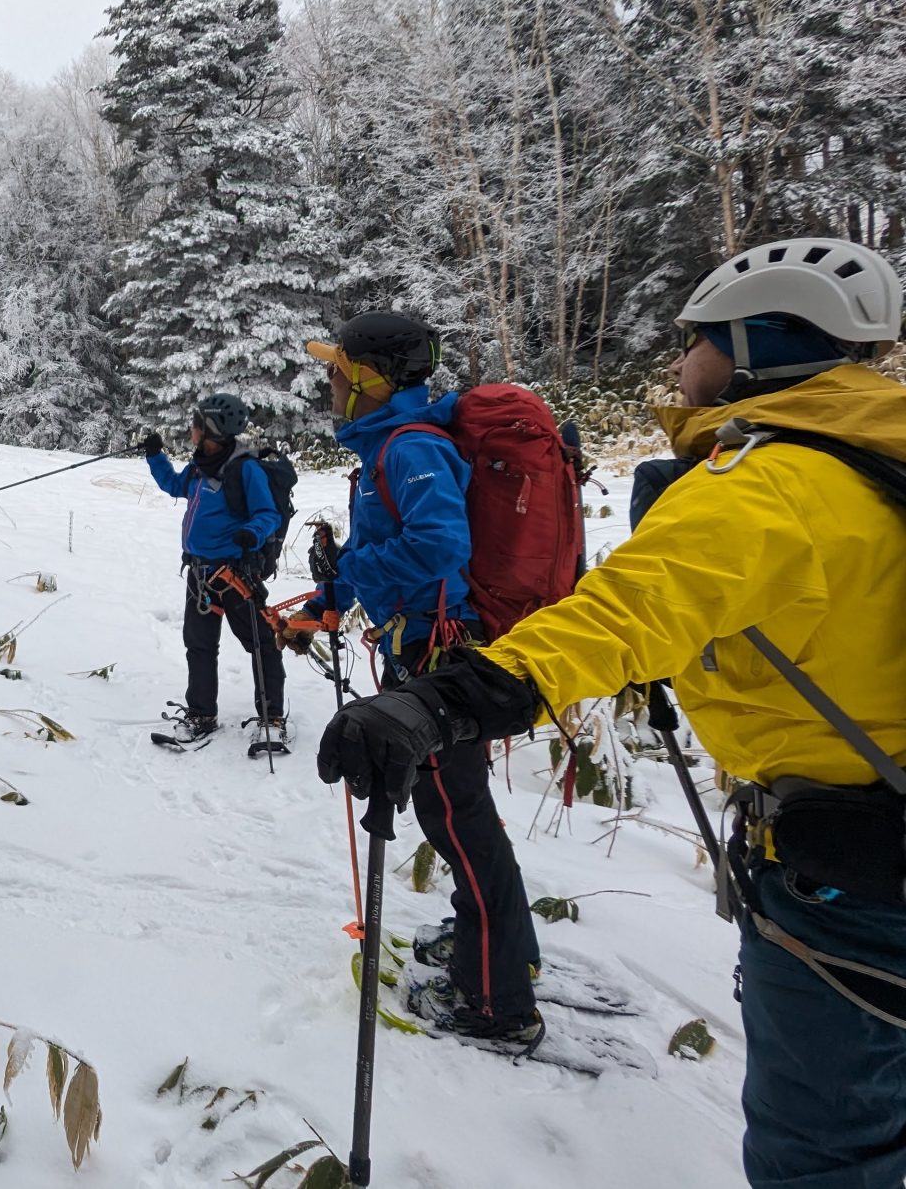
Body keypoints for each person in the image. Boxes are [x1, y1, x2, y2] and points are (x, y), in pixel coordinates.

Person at [314, 239, 906, 1188]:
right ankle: (488, 955)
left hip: (856, 872)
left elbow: (614, 616)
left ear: (754, 349)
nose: (678, 364)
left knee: (825, 1156)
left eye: (696, 341)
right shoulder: (875, 459)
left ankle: (496, 987)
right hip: (863, 842)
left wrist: (440, 697)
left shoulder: (770, 486)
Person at [289, 313, 542, 1045]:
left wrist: (355, 573)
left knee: (457, 821)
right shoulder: (388, 449)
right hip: (421, 647)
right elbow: (380, 547)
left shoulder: (413, 447)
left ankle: (497, 998)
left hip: (441, 654)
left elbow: (436, 545)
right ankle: (497, 945)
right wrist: (327, 600)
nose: (329, 383)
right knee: (459, 814)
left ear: (370, 379)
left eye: (338, 371)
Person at [143, 392, 287, 746]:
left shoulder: (245, 469)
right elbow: (174, 485)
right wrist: (155, 456)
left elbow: (268, 515)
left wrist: (250, 534)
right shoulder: (198, 466)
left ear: (210, 429)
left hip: (235, 574)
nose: (191, 429)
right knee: (200, 645)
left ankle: (272, 719)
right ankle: (201, 714)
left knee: (260, 643)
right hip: (199, 574)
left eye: (196, 423)